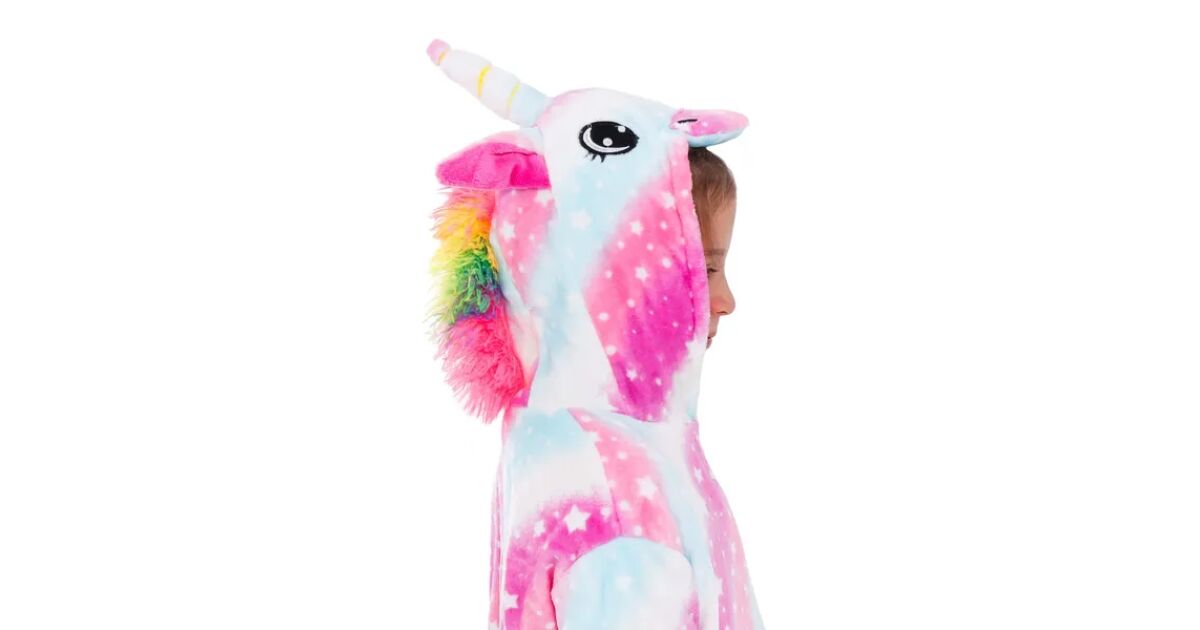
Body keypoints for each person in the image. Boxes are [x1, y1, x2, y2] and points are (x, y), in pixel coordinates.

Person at [427, 39, 765, 629]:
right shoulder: (623, 509)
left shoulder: (575, 442)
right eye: (703, 268)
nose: (727, 300)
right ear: (622, 274)